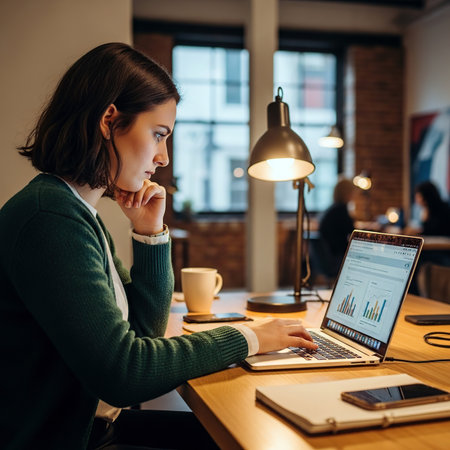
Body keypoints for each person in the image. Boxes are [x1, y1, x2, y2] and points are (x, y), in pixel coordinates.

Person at [0, 43, 318, 450]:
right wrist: (249, 338)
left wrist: (150, 235)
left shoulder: (79, 214)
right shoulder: (49, 217)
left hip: (90, 431)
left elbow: (141, 335)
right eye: (159, 135)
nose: (164, 157)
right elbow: (125, 375)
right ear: (109, 120)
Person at [317, 178, 356, 278]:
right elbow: (353, 233)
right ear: (347, 193)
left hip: (328, 258)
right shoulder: (340, 211)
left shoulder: (332, 209)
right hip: (336, 258)